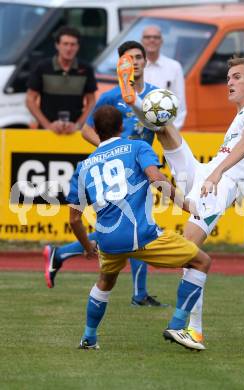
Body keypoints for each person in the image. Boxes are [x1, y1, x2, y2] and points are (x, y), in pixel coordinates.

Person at [127, 56, 244, 343]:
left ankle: (190, 328)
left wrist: (217, 174)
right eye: (228, 77)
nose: (228, 82)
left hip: (219, 183)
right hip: (205, 172)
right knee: (163, 127)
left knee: (187, 249)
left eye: (235, 77)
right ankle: (135, 100)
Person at [67, 104, 210, 351]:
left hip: (108, 241)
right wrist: (186, 205)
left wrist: (87, 246)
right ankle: (177, 324)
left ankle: (89, 338)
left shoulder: (84, 167)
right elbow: (156, 179)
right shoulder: (137, 147)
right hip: (142, 236)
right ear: (122, 127)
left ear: (96, 132)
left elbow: (74, 219)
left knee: (105, 282)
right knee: (201, 261)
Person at [44, 41, 167, 307]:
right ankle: (139, 294)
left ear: (146, 62)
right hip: (121, 170)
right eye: (127, 58)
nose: (133, 62)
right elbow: (87, 130)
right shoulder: (111, 97)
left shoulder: (156, 97)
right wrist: (111, 151)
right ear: (120, 64)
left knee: (132, 226)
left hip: (141, 166)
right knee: (133, 226)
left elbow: (165, 129)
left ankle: (62, 254)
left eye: (138, 57)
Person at [26, 26, 97, 135]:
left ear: (78, 47)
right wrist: (47, 126)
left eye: (73, 44)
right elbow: (30, 99)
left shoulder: (86, 69)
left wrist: (78, 125)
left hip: (75, 134)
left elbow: (91, 101)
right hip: (46, 133)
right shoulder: (43, 67)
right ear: (57, 45)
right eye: (65, 44)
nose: (69, 48)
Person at [141, 25, 187, 129]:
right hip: (139, 129)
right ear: (142, 41)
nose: (152, 40)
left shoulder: (174, 67)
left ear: (161, 41)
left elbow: (180, 103)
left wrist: (171, 131)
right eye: (147, 37)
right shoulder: (135, 67)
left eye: (156, 37)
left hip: (166, 129)